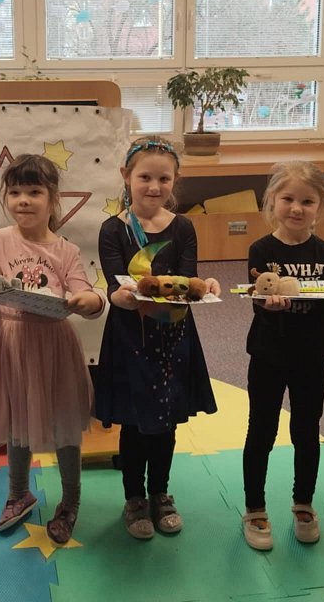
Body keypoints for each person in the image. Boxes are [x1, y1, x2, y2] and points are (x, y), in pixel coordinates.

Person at [0, 154, 105, 546]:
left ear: (53, 199)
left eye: (34, 191)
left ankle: (70, 501)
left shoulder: (66, 250)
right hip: (10, 342)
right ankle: (18, 493)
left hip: (53, 346)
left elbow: (84, 292)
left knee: (64, 425)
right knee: (15, 419)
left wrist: (89, 301)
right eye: (15, 192)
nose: (23, 200)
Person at [94, 135, 220, 540]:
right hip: (130, 339)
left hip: (173, 338)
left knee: (166, 422)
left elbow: (187, 280)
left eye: (164, 179)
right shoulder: (113, 229)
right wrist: (121, 298)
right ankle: (134, 497)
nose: (154, 186)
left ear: (175, 180)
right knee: (134, 424)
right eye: (145, 177)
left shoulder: (183, 227)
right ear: (126, 176)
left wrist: (205, 286)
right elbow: (116, 286)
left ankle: (161, 492)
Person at [240, 161, 324, 551]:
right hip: (268, 355)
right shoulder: (261, 249)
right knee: (261, 431)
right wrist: (268, 306)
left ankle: (303, 503)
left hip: (312, 357)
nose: (296, 208)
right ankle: (254, 508)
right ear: (272, 201)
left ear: (320, 205)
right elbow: (258, 303)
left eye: (307, 201)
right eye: (287, 199)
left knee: (307, 431)